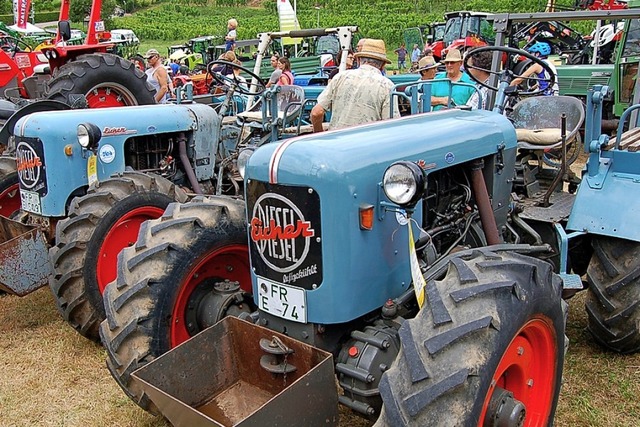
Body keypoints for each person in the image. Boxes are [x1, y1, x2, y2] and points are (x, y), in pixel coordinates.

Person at [311, 38, 400, 132]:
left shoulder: (340, 77)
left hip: (337, 142)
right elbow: (391, 126)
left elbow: (316, 113)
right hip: (367, 144)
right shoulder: (387, 86)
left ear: (358, 60)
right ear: (383, 65)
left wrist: (320, 136)